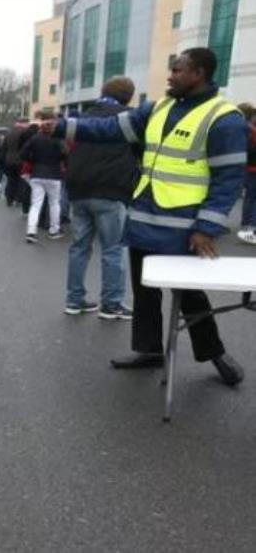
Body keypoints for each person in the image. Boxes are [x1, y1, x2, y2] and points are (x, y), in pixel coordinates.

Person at [46, 47, 247, 384]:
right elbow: (109, 128)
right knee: (145, 290)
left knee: (190, 296)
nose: (170, 76)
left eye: (178, 70)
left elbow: (229, 179)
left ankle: (214, 353)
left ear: (199, 74)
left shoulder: (224, 118)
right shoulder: (158, 108)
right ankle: (149, 350)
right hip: (144, 220)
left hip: (186, 228)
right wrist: (62, 127)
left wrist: (207, 227)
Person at [64, 77, 140, 319]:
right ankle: (111, 303)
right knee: (113, 250)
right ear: (128, 96)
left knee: (79, 248)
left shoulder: (83, 117)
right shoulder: (131, 119)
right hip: (111, 189)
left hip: (79, 189)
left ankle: (74, 300)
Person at [21, 115, 68, 243]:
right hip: (54, 174)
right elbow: (65, 153)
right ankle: (54, 230)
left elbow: (23, 153)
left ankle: (31, 232)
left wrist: (34, 160)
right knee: (54, 203)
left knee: (36, 204)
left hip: (37, 173)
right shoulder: (58, 139)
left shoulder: (35, 138)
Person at [235, 103, 256, 244]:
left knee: (250, 198)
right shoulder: (251, 130)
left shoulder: (243, 129)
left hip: (249, 167)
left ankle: (247, 224)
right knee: (252, 198)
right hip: (251, 168)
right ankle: (250, 227)